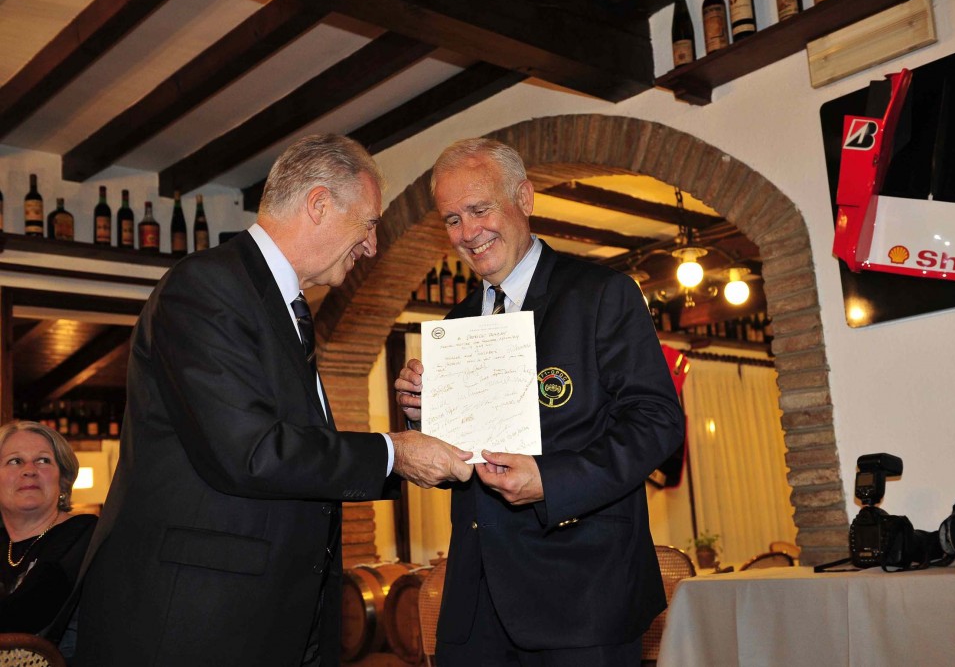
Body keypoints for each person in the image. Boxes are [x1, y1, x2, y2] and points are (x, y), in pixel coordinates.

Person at [67, 134, 473, 667]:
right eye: (370, 223)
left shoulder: (283, 307)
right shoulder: (206, 287)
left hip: (268, 618)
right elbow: (251, 452)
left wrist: (417, 445)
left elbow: (304, 452)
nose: (373, 246)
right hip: (195, 625)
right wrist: (395, 452)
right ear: (320, 204)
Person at [394, 138, 685, 666]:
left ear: (524, 198)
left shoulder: (603, 294)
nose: (467, 232)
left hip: (582, 597)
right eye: (452, 219)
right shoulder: (454, 326)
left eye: (479, 209)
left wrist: (552, 482)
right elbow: (457, 465)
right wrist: (422, 415)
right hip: (475, 605)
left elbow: (658, 422)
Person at [0, 421, 97, 634]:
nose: (29, 471)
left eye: (43, 461)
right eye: (15, 461)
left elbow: (26, 614)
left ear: (63, 480)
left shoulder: (82, 533)